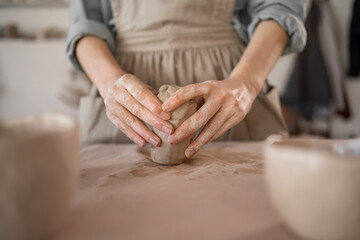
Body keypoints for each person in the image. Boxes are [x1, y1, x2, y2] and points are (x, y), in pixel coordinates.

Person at [66, 0, 308, 158]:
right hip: (126, 99)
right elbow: (86, 24)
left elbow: (280, 9)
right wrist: (110, 83)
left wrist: (246, 83)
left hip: (228, 88)